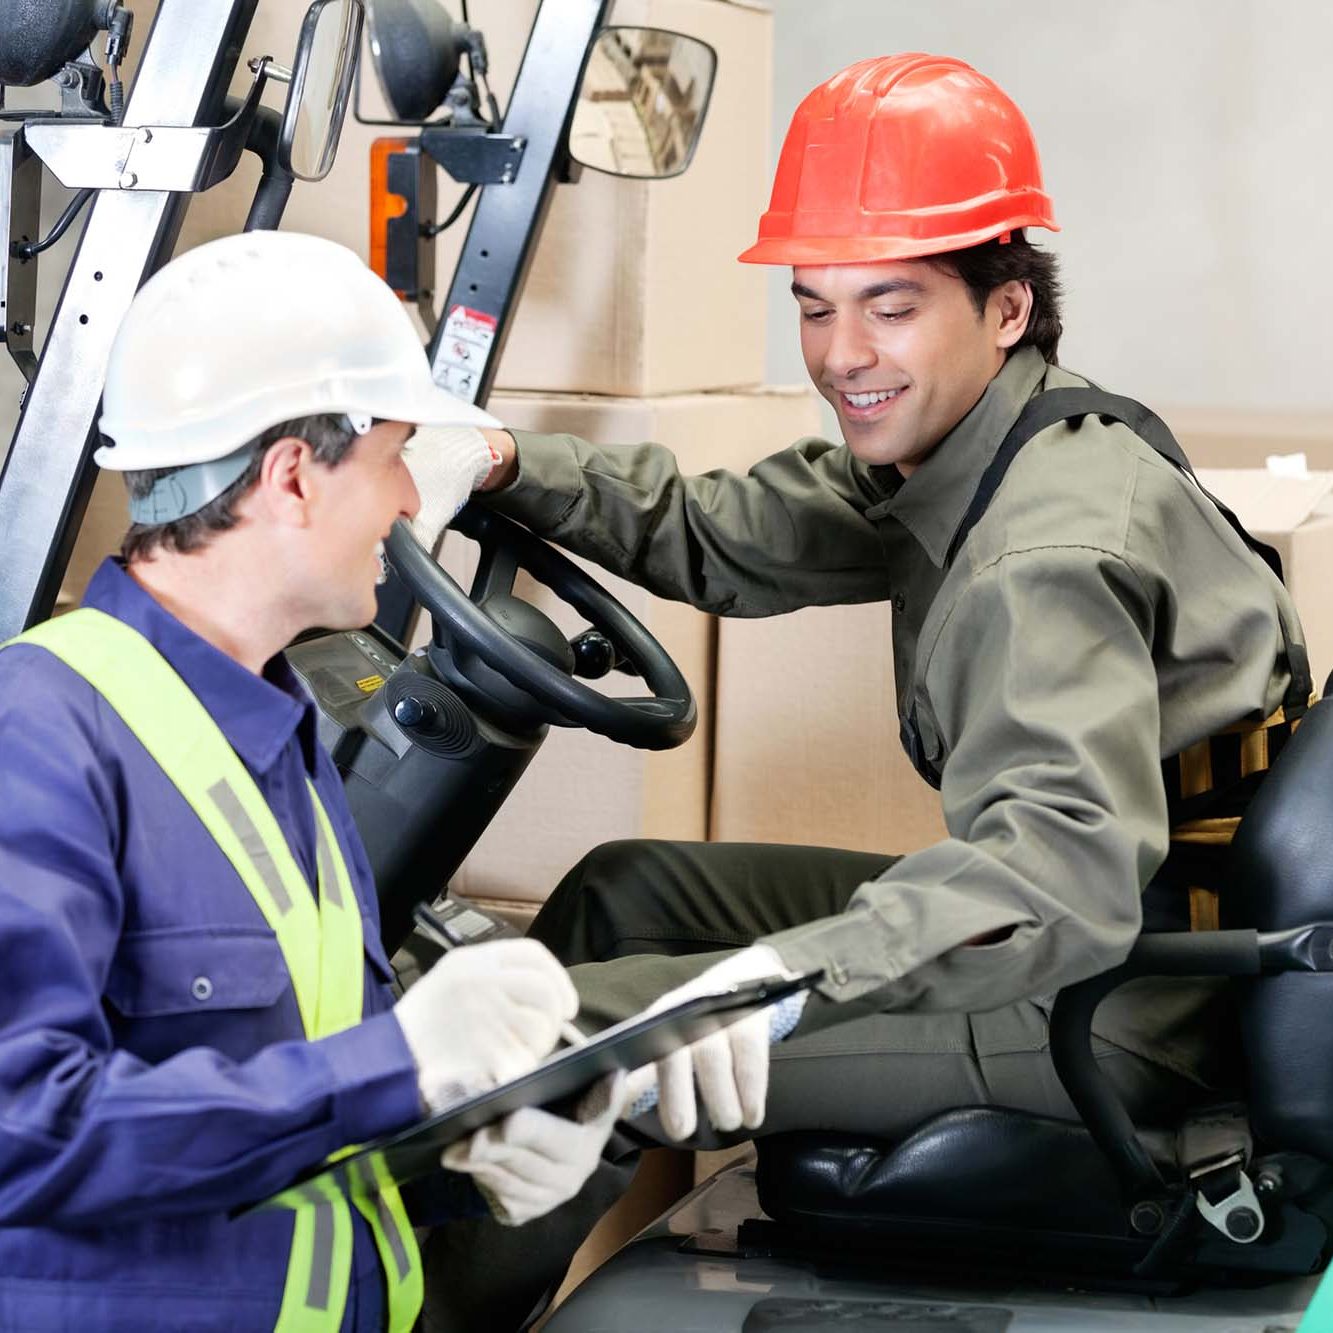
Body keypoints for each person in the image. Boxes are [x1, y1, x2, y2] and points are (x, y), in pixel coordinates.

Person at [423, 52, 1313, 1328]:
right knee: (634, 897)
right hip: (1125, 935)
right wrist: (505, 458)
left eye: (889, 307)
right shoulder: (986, 440)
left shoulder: (1039, 553)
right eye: (813, 306)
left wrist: (759, 984)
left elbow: (1050, 885)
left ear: (1004, 307)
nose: (842, 355)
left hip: (1119, 1001)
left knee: (583, 1038)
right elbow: (727, 531)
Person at [0, 230, 623, 1332]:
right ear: (291, 477)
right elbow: (26, 1134)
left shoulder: (277, 735)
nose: (402, 503)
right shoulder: (37, 735)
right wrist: (401, 1059)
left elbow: (293, 1108)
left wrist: (459, 1139)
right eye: (389, 457)